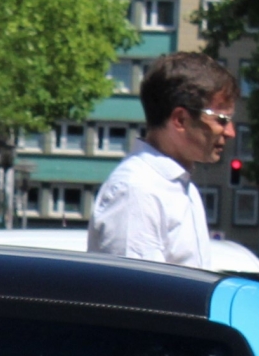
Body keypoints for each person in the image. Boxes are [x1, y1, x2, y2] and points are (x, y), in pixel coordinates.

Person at [88, 51, 233, 268]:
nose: (230, 132)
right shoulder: (137, 191)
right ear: (181, 120)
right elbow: (133, 294)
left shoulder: (180, 186)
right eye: (221, 120)